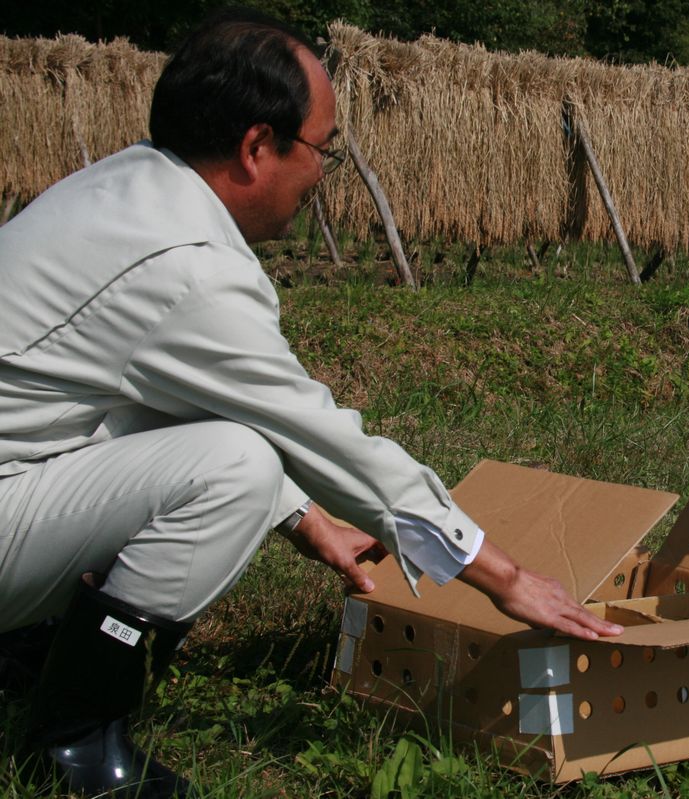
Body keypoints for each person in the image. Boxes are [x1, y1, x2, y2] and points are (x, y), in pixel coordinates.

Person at [0, 9, 620, 797]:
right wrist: (499, 573)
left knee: (227, 445)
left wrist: (309, 519)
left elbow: (173, 397)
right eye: (323, 149)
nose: (324, 174)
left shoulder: (125, 190)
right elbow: (316, 433)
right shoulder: (186, 266)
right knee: (237, 466)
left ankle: (36, 653)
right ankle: (76, 742)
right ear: (259, 147)